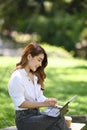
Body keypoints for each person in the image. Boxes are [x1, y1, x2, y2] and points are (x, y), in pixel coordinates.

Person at [8, 42, 70, 130]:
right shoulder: (17, 77)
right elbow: (20, 103)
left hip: (37, 115)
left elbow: (39, 97)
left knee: (56, 126)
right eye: (39, 60)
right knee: (57, 116)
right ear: (29, 57)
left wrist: (53, 105)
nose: (40, 64)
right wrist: (44, 104)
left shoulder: (35, 76)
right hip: (24, 120)